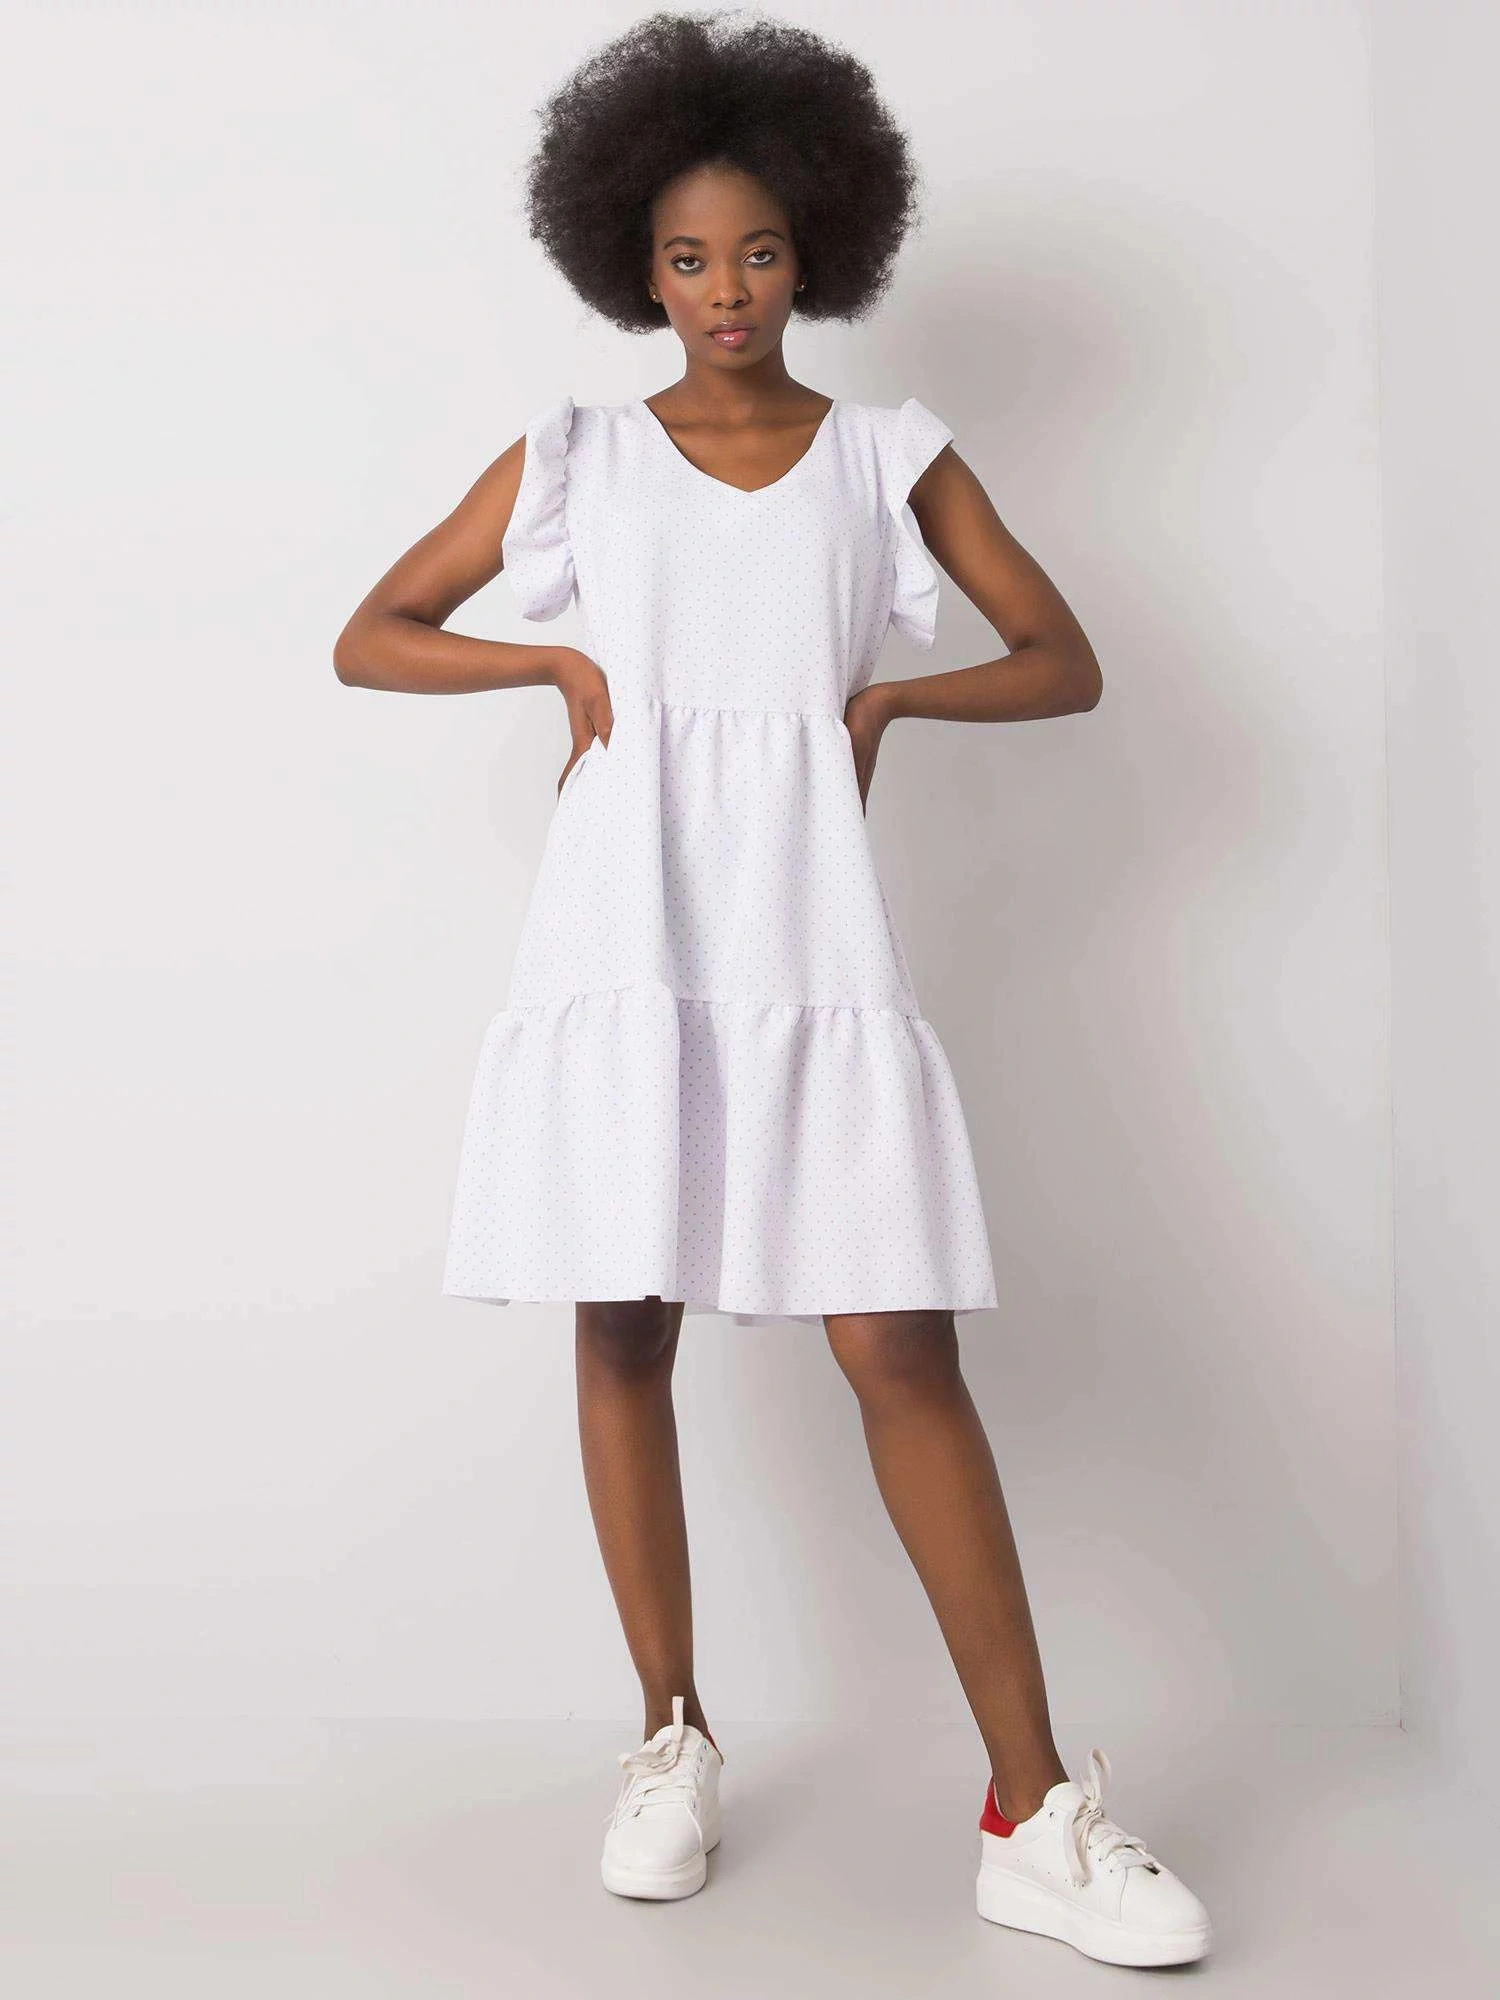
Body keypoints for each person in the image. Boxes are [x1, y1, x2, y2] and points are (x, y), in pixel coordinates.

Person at [333, 9, 1212, 1970]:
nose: (724, 287)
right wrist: (553, 667)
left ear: (817, 245)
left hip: (809, 937)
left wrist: (888, 701)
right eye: (684, 257)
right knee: (622, 1322)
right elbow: (370, 632)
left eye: (754, 250)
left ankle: (1032, 1807)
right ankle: (670, 1736)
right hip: (625, 929)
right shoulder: (571, 458)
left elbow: (1063, 657)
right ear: (631, 270)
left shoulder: (890, 458)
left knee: (897, 1345)